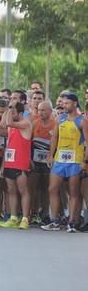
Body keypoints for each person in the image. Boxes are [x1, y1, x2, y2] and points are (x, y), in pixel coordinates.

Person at [42, 92, 88, 232]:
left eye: (67, 103)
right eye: (63, 103)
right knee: (52, 188)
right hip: (59, 160)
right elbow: (54, 137)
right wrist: (51, 155)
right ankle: (55, 221)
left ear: (74, 104)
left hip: (75, 161)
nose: (64, 105)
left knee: (74, 192)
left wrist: (85, 161)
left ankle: (72, 222)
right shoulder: (60, 118)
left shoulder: (82, 121)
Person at [0, 102, 32, 229]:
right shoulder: (11, 125)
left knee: (23, 191)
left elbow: (8, 123)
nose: (11, 114)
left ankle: (25, 218)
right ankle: (13, 217)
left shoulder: (25, 123)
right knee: (11, 190)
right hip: (9, 161)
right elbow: (0, 129)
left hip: (21, 163)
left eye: (13, 112)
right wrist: (3, 165)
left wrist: (9, 111)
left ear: (21, 113)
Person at [30, 100, 55, 224]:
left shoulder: (55, 125)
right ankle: (34, 213)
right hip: (35, 160)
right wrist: (29, 159)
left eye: (43, 110)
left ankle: (45, 213)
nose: (41, 112)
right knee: (33, 187)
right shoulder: (34, 123)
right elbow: (29, 142)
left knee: (46, 188)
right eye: (39, 110)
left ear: (50, 111)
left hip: (48, 162)